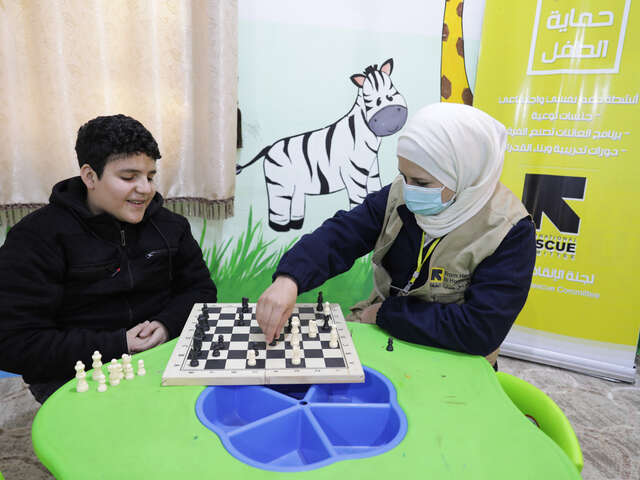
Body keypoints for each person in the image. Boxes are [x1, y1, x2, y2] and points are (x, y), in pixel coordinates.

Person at [255, 103, 536, 369]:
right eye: (403, 175)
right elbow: (343, 234)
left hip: (454, 356)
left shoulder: (509, 229)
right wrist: (289, 279)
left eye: (422, 182)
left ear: (463, 174)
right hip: (385, 333)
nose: (409, 190)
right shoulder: (400, 194)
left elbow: (480, 329)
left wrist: (385, 315)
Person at [0, 114, 217, 402]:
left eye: (150, 176)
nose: (146, 189)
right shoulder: (35, 237)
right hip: (75, 372)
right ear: (90, 176)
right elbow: (14, 343)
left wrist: (166, 325)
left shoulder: (171, 226)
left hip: (161, 356)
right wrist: (119, 344)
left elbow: (201, 292)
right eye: (129, 177)